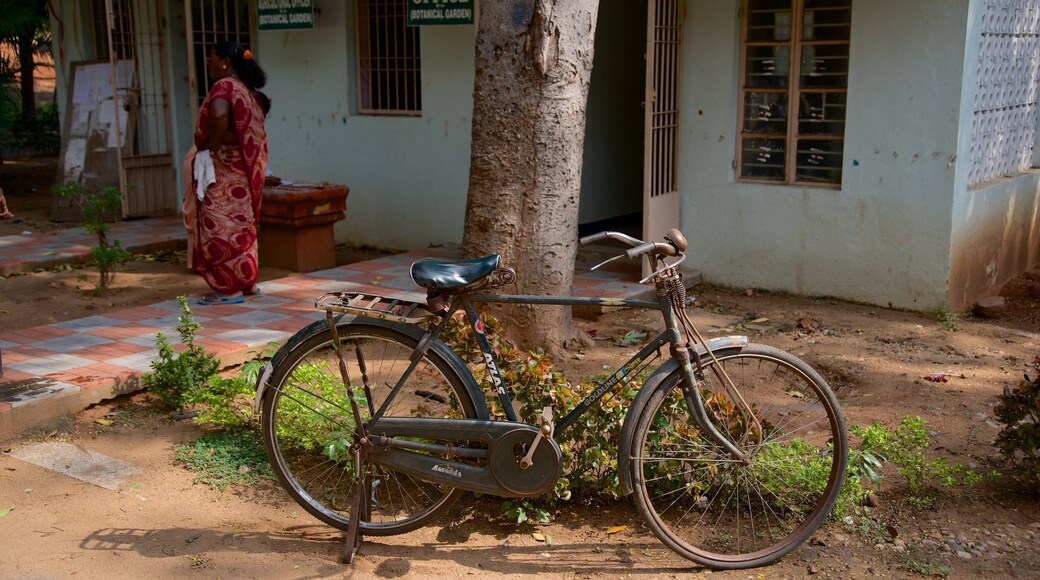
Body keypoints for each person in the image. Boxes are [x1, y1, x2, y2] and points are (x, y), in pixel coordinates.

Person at [182, 39, 269, 305]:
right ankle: (248, 283)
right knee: (242, 226)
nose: (207, 64)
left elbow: (219, 117)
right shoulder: (246, 90)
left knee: (220, 227)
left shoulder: (223, 87)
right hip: (242, 171)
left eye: (210, 59)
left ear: (224, 62)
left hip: (223, 169)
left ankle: (228, 288)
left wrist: (210, 146)